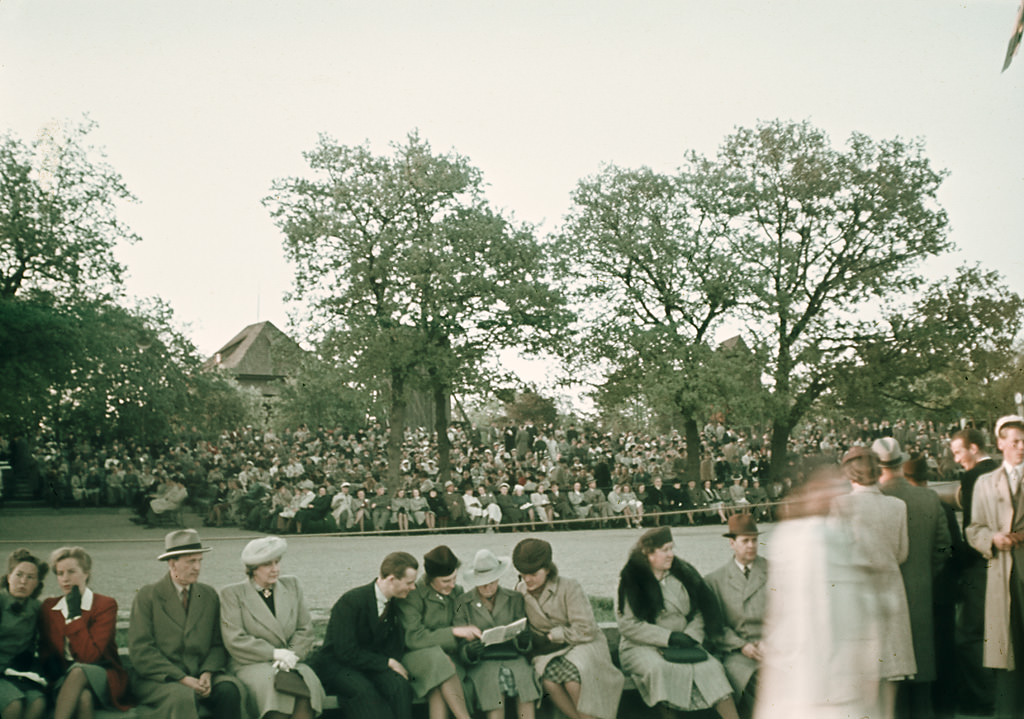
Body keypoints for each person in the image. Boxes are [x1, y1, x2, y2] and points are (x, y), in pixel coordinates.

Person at [616, 526, 739, 719]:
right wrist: (669, 637)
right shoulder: (631, 580)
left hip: (686, 643)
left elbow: (699, 610)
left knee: (711, 668)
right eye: (665, 550)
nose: (671, 555)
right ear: (648, 553)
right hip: (642, 646)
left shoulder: (683, 574)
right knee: (662, 670)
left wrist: (690, 636)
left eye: (672, 549)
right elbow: (628, 625)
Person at [831, 446, 915, 719]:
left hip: (856, 594)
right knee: (890, 670)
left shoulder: (840, 505)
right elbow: (902, 553)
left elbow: (833, 555)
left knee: (861, 673)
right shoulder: (897, 506)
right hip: (891, 591)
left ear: (849, 472)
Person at [127, 529, 244, 719]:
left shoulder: (208, 595)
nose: (197, 567)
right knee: (183, 696)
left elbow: (217, 643)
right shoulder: (148, 596)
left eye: (199, 561)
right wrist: (182, 678)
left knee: (229, 690)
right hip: (159, 679)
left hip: (200, 675)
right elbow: (141, 650)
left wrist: (207, 672)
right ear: (172, 564)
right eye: (191, 561)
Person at [873, 437, 951, 719]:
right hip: (920, 595)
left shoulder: (873, 502)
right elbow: (944, 547)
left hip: (881, 602)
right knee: (921, 688)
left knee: (889, 687)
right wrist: (925, 574)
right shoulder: (927, 498)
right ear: (901, 462)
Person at [513, 538, 623, 719]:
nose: (527, 579)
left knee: (574, 679)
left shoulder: (569, 587)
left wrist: (552, 636)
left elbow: (586, 629)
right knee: (548, 681)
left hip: (582, 644)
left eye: (533, 574)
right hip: (549, 652)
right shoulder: (520, 590)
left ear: (547, 569)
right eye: (523, 574)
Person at [219, 536, 325, 719]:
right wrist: (274, 653)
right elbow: (235, 639)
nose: (275, 569)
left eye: (277, 562)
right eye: (268, 564)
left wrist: (291, 655)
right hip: (251, 663)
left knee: (307, 686)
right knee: (275, 690)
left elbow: (304, 629)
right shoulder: (232, 594)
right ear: (253, 569)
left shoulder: (292, 585)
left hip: (291, 661)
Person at [309, 552, 419, 719]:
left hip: (370, 665)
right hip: (338, 665)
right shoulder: (351, 601)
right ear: (391, 579)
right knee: (364, 693)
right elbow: (344, 651)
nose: (413, 588)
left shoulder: (397, 604)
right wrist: (387, 662)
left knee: (399, 687)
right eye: (409, 583)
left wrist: (387, 663)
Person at [966, 414, 1024, 719]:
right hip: (1003, 577)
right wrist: (992, 539)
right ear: (1000, 444)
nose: (1021, 446)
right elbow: (973, 529)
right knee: (1008, 656)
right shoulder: (985, 483)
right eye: (1014, 441)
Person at [39, 546, 131, 718]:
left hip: (103, 677)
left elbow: (90, 657)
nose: (65, 579)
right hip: (62, 679)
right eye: (60, 573)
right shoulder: (49, 607)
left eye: (71, 572)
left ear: (86, 573)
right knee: (83, 698)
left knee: (79, 671)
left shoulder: (104, 605)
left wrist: (74, 616)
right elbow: (45, 650)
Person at [453, 549, 540, 719]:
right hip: (483, 661)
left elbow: (523, 632)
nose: (488, 587)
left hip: (513, 658)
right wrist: (470, 651)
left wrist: (523, 641)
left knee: (525, 687)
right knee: (493, 693)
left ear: (498, 578)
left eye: (492, 582)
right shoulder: (462, 603)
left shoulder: (514, 598)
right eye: (483, 583)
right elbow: (460, 644)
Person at [949, 426, 999, 714]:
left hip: (978, 566)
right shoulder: (1001, 471)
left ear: (974, 448)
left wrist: (955, 563)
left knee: (969, 636)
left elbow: (971, 529)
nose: (957, 459)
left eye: (958, 452)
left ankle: (981, 699)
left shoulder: (972, 478)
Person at [396, 545, 477, 719]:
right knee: (440, 663)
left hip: (446, 660)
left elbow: (462, 621)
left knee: (438, 681)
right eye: (446, 581)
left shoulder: (458, 592)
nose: (452, 585)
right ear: (431, 578)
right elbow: (414, 638)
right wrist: (454, 632)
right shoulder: (413, 596)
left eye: (454, 579)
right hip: (415, 657)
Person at [704, 514, 767, 718]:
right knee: (758, 685)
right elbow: (715, 627)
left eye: (754, 540)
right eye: (745, 541)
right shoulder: (715, 581)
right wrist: (741, 645)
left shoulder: (775, 572)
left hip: (776, 648)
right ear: (732, 543)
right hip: (739, 653)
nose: (751, 546)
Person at [0, 549, 48, 719]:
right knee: (13, 704)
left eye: (30, 577)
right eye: (18, 574)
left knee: (38, 702)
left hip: (16, 672)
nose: (23, 581)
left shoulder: (36, 608)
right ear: (8, 577)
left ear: (37, 583)